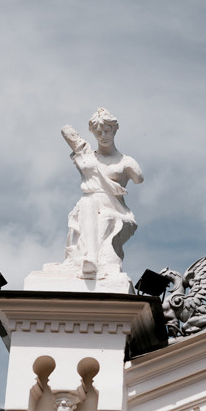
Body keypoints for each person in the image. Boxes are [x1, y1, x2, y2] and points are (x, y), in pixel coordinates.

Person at [57, 109, 144, 283]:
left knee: (102, 213)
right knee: (89, 202)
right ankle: (91, 257)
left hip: (115, 210)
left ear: (114, 130)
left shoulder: (126, 162)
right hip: (88, 206)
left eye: (106, 130)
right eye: (98, 132)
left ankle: (92, 257)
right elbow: (65, 130)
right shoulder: (88, 156)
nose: (103, 135)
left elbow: (139, 178)